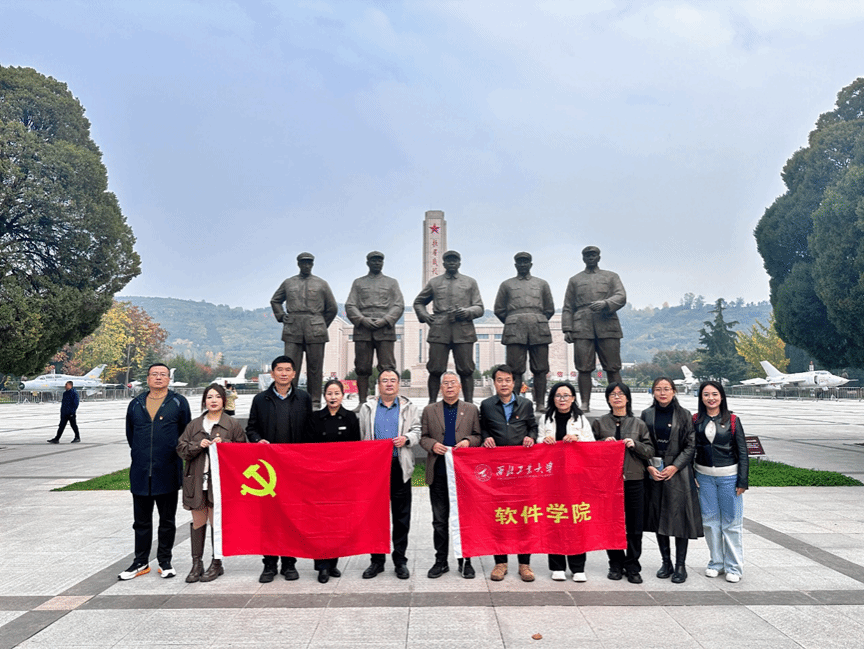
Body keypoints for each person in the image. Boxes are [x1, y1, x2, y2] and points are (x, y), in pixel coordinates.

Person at [119, 363, 192, 580]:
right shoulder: (136, 404)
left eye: (163, 374)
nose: (158, 377)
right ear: (148, 378)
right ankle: (140, 562)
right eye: (154, 374)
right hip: (141, 471)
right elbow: (131, 435)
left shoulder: (178, 402)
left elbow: (185, 434)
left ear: (169, 379)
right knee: (141, 522)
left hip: (167, 470)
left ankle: (165, 561)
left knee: (167, 521)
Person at [246, 355, 313, 583]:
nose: (283, 373)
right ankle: (269, 564)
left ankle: (289, 563)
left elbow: (310, 430)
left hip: (294, 468)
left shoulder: (303, 399)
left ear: (294, 373)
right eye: (279, 369)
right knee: (269, 518)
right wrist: (258, 441)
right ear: (272, 373)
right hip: (269, 471)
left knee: (291, 516)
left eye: (288, 370)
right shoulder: (260, 400)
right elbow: (251, 428)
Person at [176, 383, 246, 583]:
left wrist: (226, 445)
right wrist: (198, 445)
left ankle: (216, 563)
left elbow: (243, 450)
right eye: (209, 397)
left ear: (224, 400)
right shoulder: (195, 424)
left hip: (220, 482)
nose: (213, 400)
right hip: (196, 480)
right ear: (204, 401)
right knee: (198, 521)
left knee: (217, 522)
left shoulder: (231, 424)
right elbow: (181, 449)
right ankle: (196, 563)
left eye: (217, 396)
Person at [358, 369, 421, 579]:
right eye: (384, 380)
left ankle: (400, 560)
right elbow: (362, 435)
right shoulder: (368, 408)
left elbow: (418, 431)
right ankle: (377, 561)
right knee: (375, 517)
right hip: (375, 469)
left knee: (401, 517)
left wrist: (407, 438)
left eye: (393, 380)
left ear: (398, 384)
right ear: (378, 384)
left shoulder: (409, 407)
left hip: (399, 466)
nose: (389, 384)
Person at [419, 371, 482, 579]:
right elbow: (423, 437)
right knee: (439, 520)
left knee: (464, 519)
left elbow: (478, 436)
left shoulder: (471, 409)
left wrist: (468, 441)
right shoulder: (430, 410)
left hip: (463, 475)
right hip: (438, 471)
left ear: (460, 386)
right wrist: (432, 445)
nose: (449, 386)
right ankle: (441, 561)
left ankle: (466, 561)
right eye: (445, 383)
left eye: (453, 383)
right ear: (440, 387)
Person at [640, 377, 703, 584]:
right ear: (653, 392)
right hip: (655, 470)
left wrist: (675, 466)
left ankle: (680, 565)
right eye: (658, 389)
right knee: (659, 517)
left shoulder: (684, 415)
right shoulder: (647, 414)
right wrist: (649, 466)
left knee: (680, 518)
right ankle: (666, 562)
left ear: (674, 391)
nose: (662, 393)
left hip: (679, 472)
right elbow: (642, 443)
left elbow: (690, 445)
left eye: (666, 389)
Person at [480, 364, 539, 582]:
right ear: (494, 383)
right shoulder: (487, 405)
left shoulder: (525, 404)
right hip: (498, 470)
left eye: (507, 380)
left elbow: (533, 427)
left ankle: (524, 563)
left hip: (521, 470)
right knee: (500, 515)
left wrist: (531, 437)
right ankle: (500, 562)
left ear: (514, 383)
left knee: (524, 515)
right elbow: (482, 428)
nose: (504, 384)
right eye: (499, 380)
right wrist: (486, 437)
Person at [591, 382, 653, 584]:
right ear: (608, 399)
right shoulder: (600, 423)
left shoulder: (638, 424)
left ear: (627, 398)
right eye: (612, 394)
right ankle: (615, 564)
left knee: (634, 526)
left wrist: (635, 445)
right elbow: (588, 450)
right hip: (609, 482)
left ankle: (633, 565)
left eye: (620, 394)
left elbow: (650, 451)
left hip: (634, 479)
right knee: (611, 524)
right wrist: (602, 445)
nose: (617, 397)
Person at [694, 380, 749, 583]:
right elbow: (691, 448)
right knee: (709, 523)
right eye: (706, 394)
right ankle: (716, 563)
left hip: (729, 477)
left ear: (722, 396)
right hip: (704, 477)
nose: (711, 398)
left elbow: (742, 452)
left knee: (731, 523)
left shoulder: (733, 420)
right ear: (701, 398)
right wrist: (692, 475)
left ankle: (734, 567)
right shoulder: (695, 420)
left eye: (715, 394)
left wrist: (742, 480)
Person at [561, 246, 627, 412]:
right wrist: (567, 328)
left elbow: (621, 296)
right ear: (583, 258)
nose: (590, 258)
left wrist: (606, 303)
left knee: (613, 367)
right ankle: (585, 403)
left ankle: (618, 402)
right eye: (587, 255)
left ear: (599, 257)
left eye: (593, 255)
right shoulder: (575, 280)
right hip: (582, 326)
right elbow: (568, 306)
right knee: (583, 367)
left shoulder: (611, 276)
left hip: (607, 323)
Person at [413, 250, 484, 403]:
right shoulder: (435, 282)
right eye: (449, 260)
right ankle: (432, 403)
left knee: (466, 369)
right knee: (435, 369)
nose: (452, 263)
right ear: (444, 263)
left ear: (459, 263)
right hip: (439, 329)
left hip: (463, 329)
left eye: (455, 260)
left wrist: (467, 312)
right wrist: (425, 316)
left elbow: (479, 307)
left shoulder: (470, 282)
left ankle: (469, 404)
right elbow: (419, 302)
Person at [308, 379, 361, 583]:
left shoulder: (350, 418)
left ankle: (333, 563)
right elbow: (308, 447)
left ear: (342, 395)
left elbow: (356, 448)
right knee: (320, 522)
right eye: (329, 393)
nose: (333, 397)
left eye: (336, 393)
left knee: (338, 521)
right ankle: (322, 565)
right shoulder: (315, 418)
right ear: (324, 396)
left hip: (341, 479)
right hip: (320, 478)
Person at [539, 381, 593, 582]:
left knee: (576, 520)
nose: (562, 399)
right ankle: (557, 566)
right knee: (554, 519)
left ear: (573, 398)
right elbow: (537, 443)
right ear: (552, 398)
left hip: (575, 477)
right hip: (552, 478)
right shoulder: (545, 419)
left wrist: (577, 438)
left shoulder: (581, 419)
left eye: (566, 395)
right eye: (558, 395)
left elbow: (592, 444)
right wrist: (544, 441)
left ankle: (578, 566)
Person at [270, 252, 338, 408]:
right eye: (303, 263)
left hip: (315, 328)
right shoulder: (288, 283)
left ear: (312, 264)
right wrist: (281, 316)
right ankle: (289, 399)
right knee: (289, 367)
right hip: (293, 328)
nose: (306, 265)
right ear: (298, 264)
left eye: (309, 263)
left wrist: (321, 324)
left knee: (315, 368)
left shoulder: (321, 284)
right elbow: (275, 300)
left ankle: (314, 401)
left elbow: (332, 308)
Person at [493, 252, 555, 410]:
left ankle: (540, 403)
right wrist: (513, 321)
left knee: (540, 368)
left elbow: (549, 309)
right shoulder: (506, 285)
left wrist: (535, 319)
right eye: (519, 262)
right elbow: (499, 309)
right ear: (515, 265)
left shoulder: (542, 284)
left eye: (525, 262)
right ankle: (514, 403)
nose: (522, 265)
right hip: (515, 330)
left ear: (530, 264)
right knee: (515, 369)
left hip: (538, 329)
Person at [345, 251, 405, 402]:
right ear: (368, 263)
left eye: (379, 261)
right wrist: (362, 319)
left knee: (387, 367)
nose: (377, 263)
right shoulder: (358, 283)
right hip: (363, 329)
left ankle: (389, 401)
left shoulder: (391, 283)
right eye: (374, 261)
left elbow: (398, 305)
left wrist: (386, 319)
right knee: (362, 368)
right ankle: (362, 402)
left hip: (385, 329)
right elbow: (350, 305)